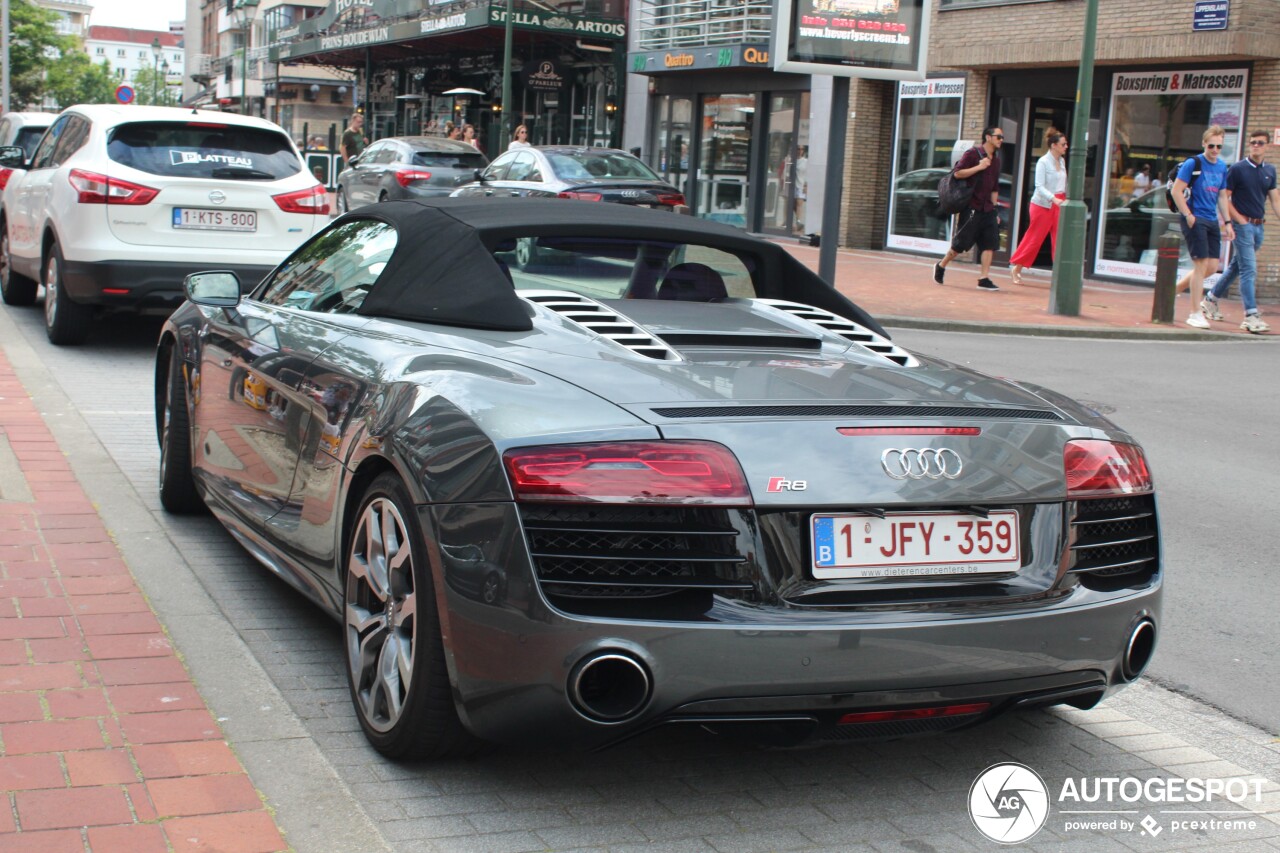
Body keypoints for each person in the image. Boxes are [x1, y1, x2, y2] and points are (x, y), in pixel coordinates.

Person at [1201, 129, 1279, 333]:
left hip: (1259, 226)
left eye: (1260, 143)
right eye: (1253, 142)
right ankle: (1251, 315)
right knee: (1249, 269)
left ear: (1267, 145)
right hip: (1242, 226)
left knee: (1237, 266)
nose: (1256, 146)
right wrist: (1239, 221)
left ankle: (1210, 299)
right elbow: (1225, 197)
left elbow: (1275, 199)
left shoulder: (1270, 170)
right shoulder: (1237, 169)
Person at [1172, 125, 1232, 330]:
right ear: (1204, 143)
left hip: (1212, 220)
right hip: (1195, 218)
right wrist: (1188, 215)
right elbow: (1176, 191)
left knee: (1212, 267)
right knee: (1200, 264)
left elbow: (1222, 196)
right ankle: (1195, 312)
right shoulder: (1193, 163)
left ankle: (1172, 291)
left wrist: (1228, 222)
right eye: (1212, 145)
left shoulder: (1222, 167)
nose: (1215, 149)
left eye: (1219, 146)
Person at [934, 126, 1005, 291]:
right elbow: (957, 174)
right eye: (998, 137)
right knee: (960, 244)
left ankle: (984, 278)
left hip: (988, 208)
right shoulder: (972, 154)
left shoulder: (996, 160)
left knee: (990, 243)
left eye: (1001, 137)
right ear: (988, 137)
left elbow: (994, 187)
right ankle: (942, 264)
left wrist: (995, 210)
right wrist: (979, 167)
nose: (1001, 140)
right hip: (972, 207)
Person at [1008, 127, 1068, 284]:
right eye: (1063, 144)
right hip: (1043, 204)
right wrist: (1053, 198)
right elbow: (1039, 186)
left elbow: (1063, 184)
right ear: (1054, 145)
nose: (1066, 147)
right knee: (1035, 239)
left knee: (1060, 239)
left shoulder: (1061, 161)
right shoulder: (1043, 162)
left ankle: (1059, 275)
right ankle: (1017, 268)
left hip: (1060, 203)